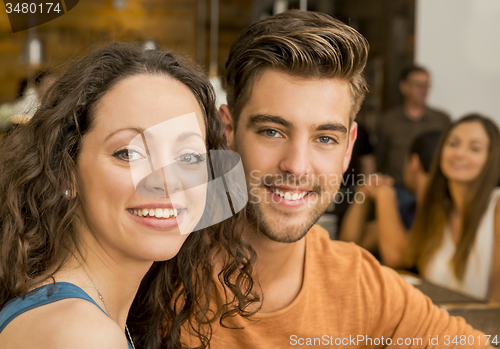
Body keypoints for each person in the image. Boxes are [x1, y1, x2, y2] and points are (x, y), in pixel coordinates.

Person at [184, 10, 493, 349]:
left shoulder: (362, 287)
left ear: (348, 148)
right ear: (227, 130)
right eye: (272, 131)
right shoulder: (156, 271)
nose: (298, 167)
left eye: (325, 138)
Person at [0, 43, 257, 349]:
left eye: (188, 157)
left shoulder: (82, 311)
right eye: (129, 153)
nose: (166, 181)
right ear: (66, 170)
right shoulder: (79, 334)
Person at [402, 114, 500, 301]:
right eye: (453, 144)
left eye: (475, 148)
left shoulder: (497, 207)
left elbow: (497, 305)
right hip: (438, 326)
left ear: (491, 158)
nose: (460, 153)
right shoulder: (435, 207)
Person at [339, 131, 442, 264]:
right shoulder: (409, 209)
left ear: (414, 162)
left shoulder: (442, 211)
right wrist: (363, 193)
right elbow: (348, 245)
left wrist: (385, 195)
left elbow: (396, 257)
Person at [376, 65, 451, 187]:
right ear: (404, 87)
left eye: (427, 85)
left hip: (432, 187)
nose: (424, 90)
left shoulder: (441, 120)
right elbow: (380, 157)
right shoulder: (388, 120)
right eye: (419, 85)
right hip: (396, 187)